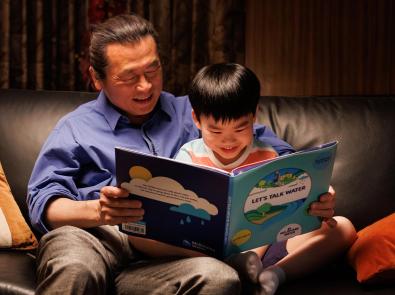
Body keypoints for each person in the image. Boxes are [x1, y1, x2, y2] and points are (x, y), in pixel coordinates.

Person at [27, 14, 354, 295]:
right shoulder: (75, 127)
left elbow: (275, 157)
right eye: (128, 78)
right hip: (95, 238)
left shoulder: (195, 112)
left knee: (220, 278)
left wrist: (311, 190)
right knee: (76, 267)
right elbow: (44, 201)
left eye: (152, 71)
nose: (145, 87)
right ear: (97, 79)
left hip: (174, 257)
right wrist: (100, 210)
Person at [166, 63, 356, 294]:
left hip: (266, 252)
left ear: (254, 116)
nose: (228, 142)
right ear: (197, 120)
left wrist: (314, 196)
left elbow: (280, 214)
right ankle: (242, 267)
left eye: (239, 129)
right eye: (215, 131)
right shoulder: (189, 156)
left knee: (344, 228)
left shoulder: (268, 156)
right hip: (210, 255)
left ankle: (276, 274)